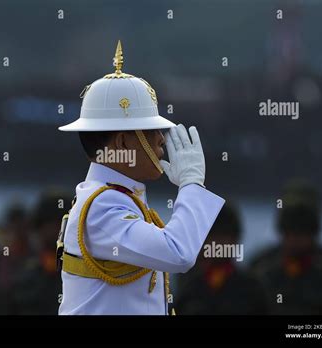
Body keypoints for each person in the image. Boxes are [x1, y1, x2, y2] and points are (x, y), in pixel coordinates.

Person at [57, 40, 225, 315]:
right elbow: (178, 252)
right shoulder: (102, 207)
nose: (161, 140)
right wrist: (192, 184)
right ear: (122, 143)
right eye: (150, 131)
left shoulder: (112, 198)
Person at [175, 202, 267, 315]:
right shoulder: (187, 284)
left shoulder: (252, 288)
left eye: (225, 235)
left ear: (236, 239)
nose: (218, 243)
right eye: (212, 236)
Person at [252, 198, 322, 314]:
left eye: (302, 234)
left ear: (313, 235)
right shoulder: (264, 278)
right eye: (290, 233)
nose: (295, 240)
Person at [10, 190, 72, 314]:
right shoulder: (27, 274)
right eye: (51, 223)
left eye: (61, 224)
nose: (57, 230)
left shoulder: (84, 272)